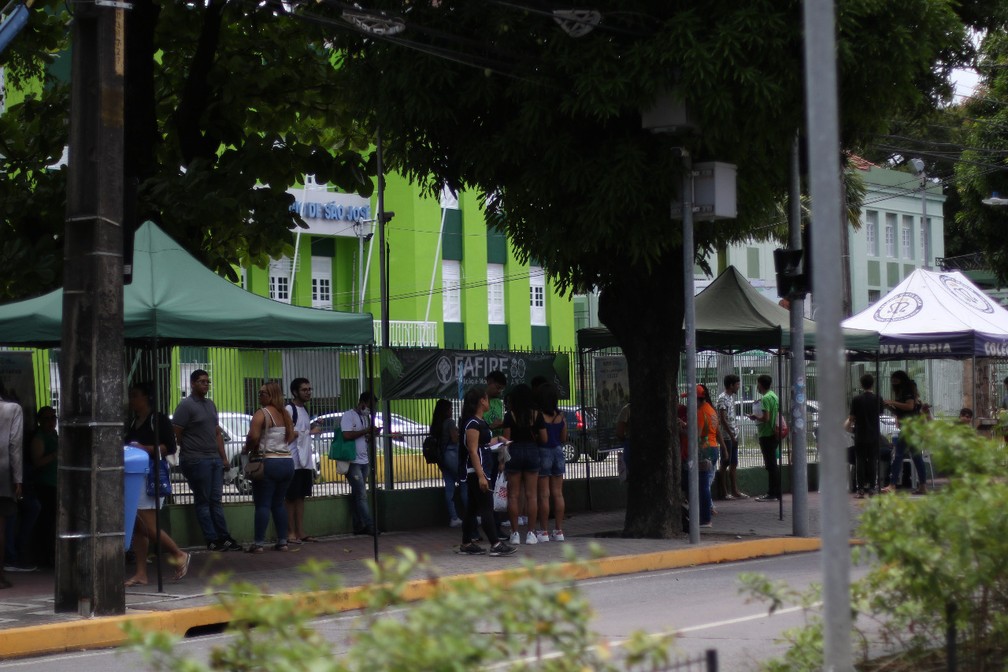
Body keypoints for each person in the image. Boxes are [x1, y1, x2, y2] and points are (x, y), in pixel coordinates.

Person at [124, 382, 191, 585]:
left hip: (150, 474)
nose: (132, 400)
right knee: (136, 525)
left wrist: (143, 448)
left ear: (146, 398)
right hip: (136, 474)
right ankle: (141, 572)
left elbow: (169, 446)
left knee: (146, 523)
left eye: (135, 395)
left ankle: (178, 553)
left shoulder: (157, 419)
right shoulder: (134, 421)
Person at [173, 370, 240, 552]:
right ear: (193, 383)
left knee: (215, 500)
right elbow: (177, 430)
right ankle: (211, 539)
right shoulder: (186, 406)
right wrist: (186, 447)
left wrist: (224, 458)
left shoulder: (210, 404)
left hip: (214, 459)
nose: (205, 385)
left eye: (207, 382)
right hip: (196, 459)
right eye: (202, 381)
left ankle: (224, 537)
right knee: (203, 500)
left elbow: (217, 432)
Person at [457, 386, 515, 556]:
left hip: (483, 469)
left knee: (473, 508)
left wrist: (498, 440)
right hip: (476, 471)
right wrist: (481, 475)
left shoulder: (479, 422)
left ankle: (467, 543)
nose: (488, 402)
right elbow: (473, 450)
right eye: (487, 399)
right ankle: (496, 544)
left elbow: (484, 443)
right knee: (486, 507)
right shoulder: (472, 423)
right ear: (482, 401)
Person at [243, 381, 296, 552]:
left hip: (268, 462)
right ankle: (283, 541)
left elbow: (252, 436)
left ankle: (258, 543)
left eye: (263, 393)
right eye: (259, 393)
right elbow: (293, 435)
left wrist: (247, 448)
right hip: (287, 462)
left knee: (263, 504)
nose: (259, 396)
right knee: (278, 503)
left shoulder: (262, 414)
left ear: (272, 395)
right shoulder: (285, 414)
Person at [502, 384, 546, 545]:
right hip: (532, 452)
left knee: (513, 495)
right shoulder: (537, 415)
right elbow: (545, 438)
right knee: (531, 495)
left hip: (514, 452)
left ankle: (514, 534)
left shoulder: (510, 416)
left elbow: (506, 440)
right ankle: (531, 533)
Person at [285, 377, 320, 544]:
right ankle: (290, 532)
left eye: (309, 389)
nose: (308, 392)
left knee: (301, 497)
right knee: (290, 498)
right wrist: (306, 432)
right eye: (304, 390)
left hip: (305, 461)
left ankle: (300, 532)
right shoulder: (289, 409)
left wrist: (308, 431)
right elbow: (286, 434)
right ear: (295, 392)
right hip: (292, 460)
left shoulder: (304, 410)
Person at [882, 370, 928, 495]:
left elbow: (909, 407)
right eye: (892, 379)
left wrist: (892, 402)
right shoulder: (902, 391)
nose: (893, 381)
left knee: (898, 455)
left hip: (910, 427)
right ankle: (923, 486)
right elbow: (901, 411)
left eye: (895, 379)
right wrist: (888, 406)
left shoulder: (906, 390)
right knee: (917, 457)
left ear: (901, 379)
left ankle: (892, 485)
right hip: (911, 427)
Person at [341, 391, 378, 536]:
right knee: (362, 494)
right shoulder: (349, 415)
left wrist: (370, 434)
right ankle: (370, 525)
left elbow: (363, 437)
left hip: (364, 460)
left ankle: (358, 525)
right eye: (370, 405)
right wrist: (365, 431)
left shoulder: (365, 417)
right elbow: (347, 434)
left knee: (357, 493)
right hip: (353, 461)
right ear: (362, 402)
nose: (371, 409)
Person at [0, 382, 24, 589]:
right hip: (3, 471)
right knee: (1, 525)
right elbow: (14, 444)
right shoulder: (12, 409)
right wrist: (18, 478)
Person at [536, 384, 566, 542]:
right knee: (558, 493)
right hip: (558, 452)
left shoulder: (539, 415)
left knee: (544, 495)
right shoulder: (561, 415)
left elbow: (541, 438)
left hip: (543, 452)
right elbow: (563, 437)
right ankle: (559, 530)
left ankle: (544, 531)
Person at [686, 384, 719, 527]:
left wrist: (683, 430)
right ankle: (706, 516)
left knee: (702, 485)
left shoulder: (700, 412)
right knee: (705, 484)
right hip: (712, 447)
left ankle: (705, 519)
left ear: (697, 399)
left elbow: (696, 435)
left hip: (704, 449)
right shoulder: (710, 409)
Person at [430, 399, 465, 527]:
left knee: (449, 488)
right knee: (464, 482)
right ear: (445, 411)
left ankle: (453, 517)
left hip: (442, 457)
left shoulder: (436, 424)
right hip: (452, 455)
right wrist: (461, 431)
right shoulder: (450, 422)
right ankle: (471, 515)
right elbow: (455, 439)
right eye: (450, 409)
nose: (451, 411)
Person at [847, 374, 882, 498]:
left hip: (860, 434)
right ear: (872, 384)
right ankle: (872, 488)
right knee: (873, 461)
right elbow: (880, 414)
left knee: (860, 461)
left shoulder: (856, 399)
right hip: (874, 434)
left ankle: (860, 489)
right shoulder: (878, 398)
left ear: (861, 384)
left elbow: (851, 418)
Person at [748, 374, 781, 502]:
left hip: (766, 434)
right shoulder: (774, 396)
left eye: (757, 384)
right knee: (773, 465)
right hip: (773, 433)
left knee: (770, 465)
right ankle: (775, 492)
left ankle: (772, 493)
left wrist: (755, 417)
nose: (757, 386)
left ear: (761, 384)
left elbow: (766, 418)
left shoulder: (766, 398)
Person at [716, 374, 747, 499]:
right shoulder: (722, 398)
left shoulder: (730, 398)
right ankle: (724, 492)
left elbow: (729, 417)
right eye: (737, 384)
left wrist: (735, 431)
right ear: (731, 385)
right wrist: (731, 435)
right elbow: (722, 419)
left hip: (734, 434)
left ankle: (734, 490)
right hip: (727, 436)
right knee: (725, 462)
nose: (738, 387)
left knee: (733, 463)